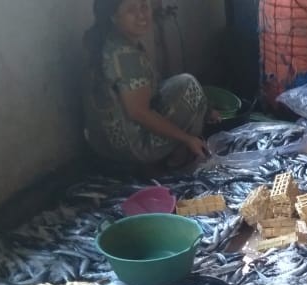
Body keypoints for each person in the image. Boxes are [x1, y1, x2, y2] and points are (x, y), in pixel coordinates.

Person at [82, 0, 219, 169]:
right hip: (131, 148)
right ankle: (180, 159)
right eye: (131, 10)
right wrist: (187, 138)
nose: (141, 15)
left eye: (144, 7)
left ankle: (184, 146)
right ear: (114, 16)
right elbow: (139, 113)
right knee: (190, 87)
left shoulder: (110, 41)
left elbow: (149, 91)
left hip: (101, 145)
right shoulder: (125, 55)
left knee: (183, 86)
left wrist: (206, 108)